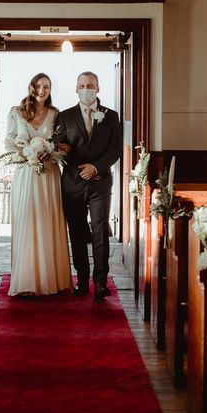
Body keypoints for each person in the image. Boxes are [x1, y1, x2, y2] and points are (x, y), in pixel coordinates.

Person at [55, 71, 122, 300]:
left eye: (90, 85)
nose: (86, 88)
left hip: (100, 182)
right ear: (76, 89)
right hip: (73, 182)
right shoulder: (65, 116)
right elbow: (59, 147)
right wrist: (74, 161)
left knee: (100, 230)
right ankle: (82, 280)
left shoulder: (111, 116)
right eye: (82, 85)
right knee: (76, 231)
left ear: (98, 88)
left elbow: (115, 150)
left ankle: (101, 282)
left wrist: (96, 167)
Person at [5, 73, 72, 296]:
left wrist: (51, 152)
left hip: (49, 175)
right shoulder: (16, 112)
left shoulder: (55, 114)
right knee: (28, 220)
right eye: (39, 86)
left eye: (47, 87)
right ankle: (26, 280)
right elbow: (9, 141)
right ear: (31, 87)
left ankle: (51, 278)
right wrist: (25, 153)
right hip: (25, 173)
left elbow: (61, 143)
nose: (42, 90)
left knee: (47, 221)